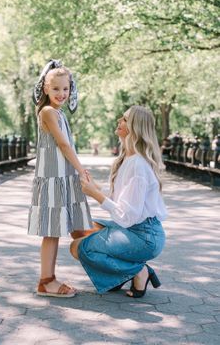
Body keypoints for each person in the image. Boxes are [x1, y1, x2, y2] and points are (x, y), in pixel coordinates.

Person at [70, 105, 167, 297]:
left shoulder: (138, 165)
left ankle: (139, 271)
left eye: (124, 119)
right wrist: (95, 187)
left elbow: (126, 216)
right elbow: (121, 200)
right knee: (78, 230)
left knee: (78, 248)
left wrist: (95, 195)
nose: (119, 121)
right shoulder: (127, 159)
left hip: (144, 236)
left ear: (135, 128)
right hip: (135, 229)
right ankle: (116, 276)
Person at [28, 60, 92, 298]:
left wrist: (75, 173)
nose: (61, 93)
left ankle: (107, 270)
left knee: (66, 228)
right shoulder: (46, 112)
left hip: (62, 178)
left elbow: (67, 144)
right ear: (46, 88)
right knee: (51, 231)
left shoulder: (59, 113)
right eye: (56, 89)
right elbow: (63, 145)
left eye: (65, 89)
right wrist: (82, 170)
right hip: (52, 178)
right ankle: (46, 280)